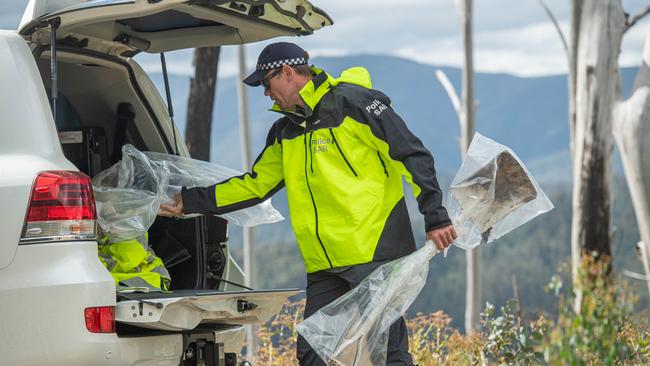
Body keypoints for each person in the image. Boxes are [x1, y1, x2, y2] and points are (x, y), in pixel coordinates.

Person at [159, 42, 457, 365]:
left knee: (386, 351)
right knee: (311, 352)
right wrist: (189, 201)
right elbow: (255, 185)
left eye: (266, 83)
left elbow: (413, 153)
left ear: (287, 73)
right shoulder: (286, 130)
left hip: (375, 253)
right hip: (324, 266)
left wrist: (435, 216)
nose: (265, 93)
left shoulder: (353, 104)